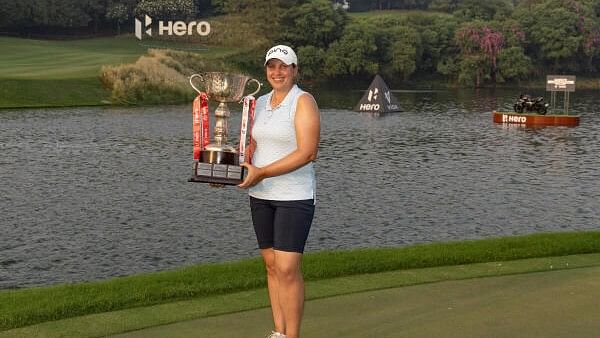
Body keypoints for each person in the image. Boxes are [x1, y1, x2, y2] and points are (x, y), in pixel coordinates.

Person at [238, 44, 320, 338]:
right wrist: (231, 169)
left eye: (284, 66)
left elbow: (308, 152)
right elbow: (253, 146)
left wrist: (263, 172)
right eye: (272, 66)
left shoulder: (303, 102)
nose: (277, 72)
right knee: (272, 267)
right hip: (260, 195)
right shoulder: (258, 103)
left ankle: (293, 336)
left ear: (295, 70)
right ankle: (279, 332)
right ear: (266, 71)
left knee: (287, 268)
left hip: (294, 195)